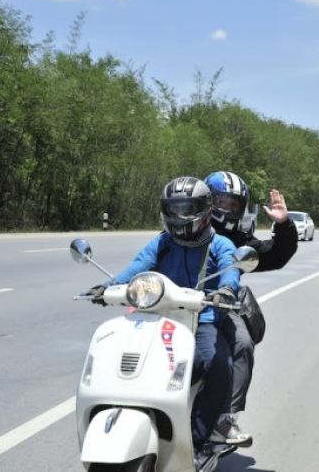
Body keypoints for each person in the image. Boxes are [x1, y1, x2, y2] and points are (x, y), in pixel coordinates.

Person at [86, 177, 238, 466]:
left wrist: (226, 289)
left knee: (218, 365)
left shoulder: (220, 244)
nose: (179, 215)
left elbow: (231, 270)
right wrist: (109, 286)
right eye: (174, 208)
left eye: (186, 208)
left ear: (205, 210)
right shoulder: (163, 242)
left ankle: (196, 440)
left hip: (200, 318)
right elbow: (138, 266)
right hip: (158, 316)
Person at [203, 171, 299, 447]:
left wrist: (283, 225)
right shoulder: (184, 225)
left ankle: (224, 417)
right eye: (221, 201)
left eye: (233, 204)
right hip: (176, 301)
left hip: (220, 304)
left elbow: (276, 256)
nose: (226, 209)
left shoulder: (239, 240)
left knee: (242, 343)